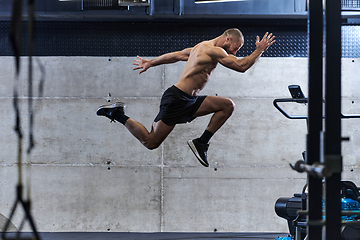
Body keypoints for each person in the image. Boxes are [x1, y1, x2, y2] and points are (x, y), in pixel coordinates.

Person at [97, 28, 275, 167]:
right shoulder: (214, 50)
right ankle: (118, 114)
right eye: (236, 48)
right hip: (176, 99)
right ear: (228, 39)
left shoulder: (201, 47)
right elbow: (241, 66)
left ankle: (201, 143)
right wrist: (259, 50)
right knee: (151, 142)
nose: (235, 52)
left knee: (227, 106)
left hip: (189, 100)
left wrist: (151, 62)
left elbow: (177, 55)